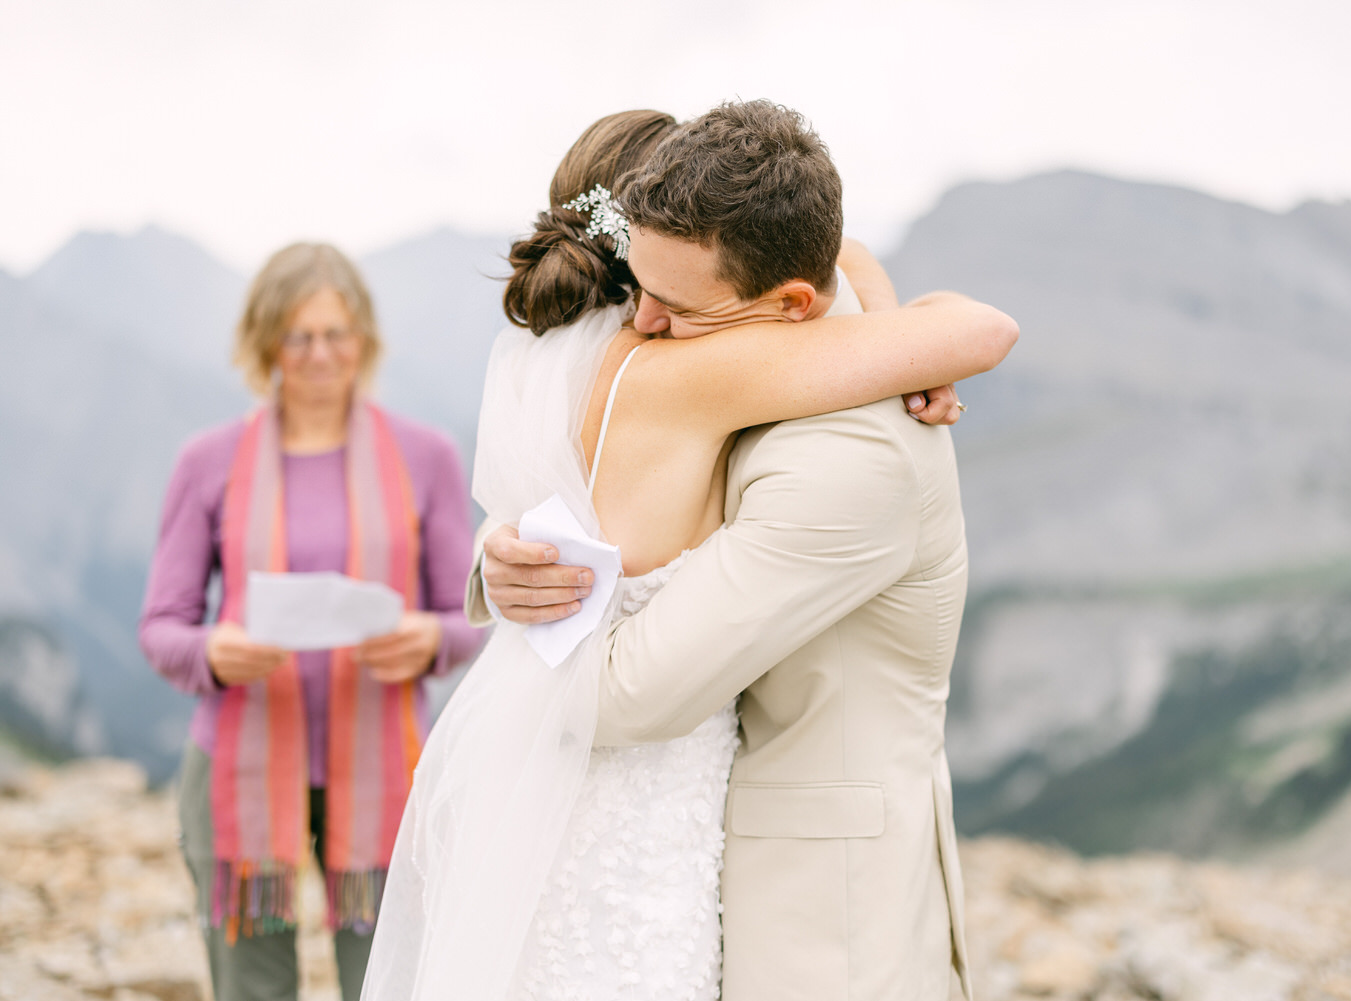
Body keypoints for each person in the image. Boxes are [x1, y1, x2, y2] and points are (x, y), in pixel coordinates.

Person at [362, 107, 1014, 1001]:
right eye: (639, 286)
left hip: (820, 907)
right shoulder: (722, 343)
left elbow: (632, 691)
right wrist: (503, 556)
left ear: (788, 303)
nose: (647, 323)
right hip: (675, 840)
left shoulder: (851, 448)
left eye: (677, 301)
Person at [138, 242, 484, 1001]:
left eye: (338, 333)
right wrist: (215, 652)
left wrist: (432, 638)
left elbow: (475, 612)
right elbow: (162, 625)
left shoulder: (426, 457)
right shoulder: (209, 460)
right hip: (238, 762)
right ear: (266, 343)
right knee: (250, 987)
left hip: (387, 764)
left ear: (364, 338)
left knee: (389, 979)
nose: (322, 353)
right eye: (300, 336)